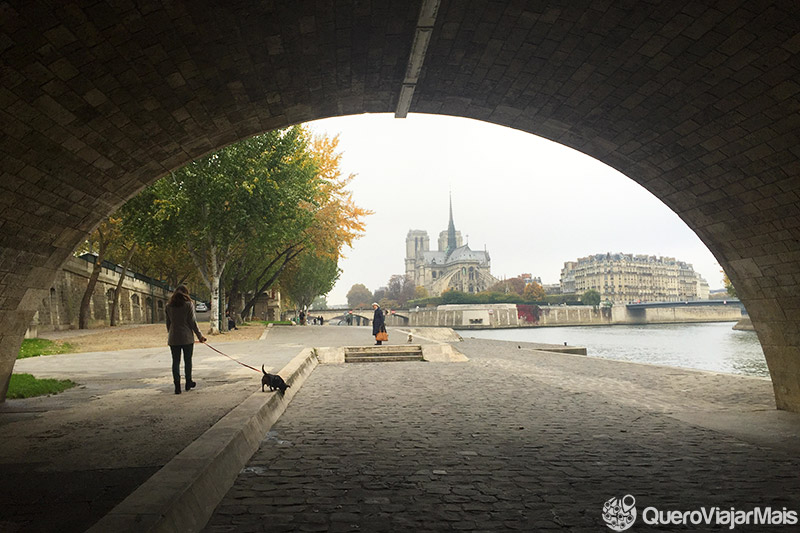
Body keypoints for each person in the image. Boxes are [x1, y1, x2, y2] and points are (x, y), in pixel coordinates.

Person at [165, 285, 206, 395]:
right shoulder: (188, 305)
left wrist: (170, 333)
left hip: (173, 337)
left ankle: (177, 386)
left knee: (175, 362)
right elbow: (192, 322)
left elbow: (168, 323)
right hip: (187, 337)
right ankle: (188, 382)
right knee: (188, 361)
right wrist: (200, 336)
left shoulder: (168, 306)